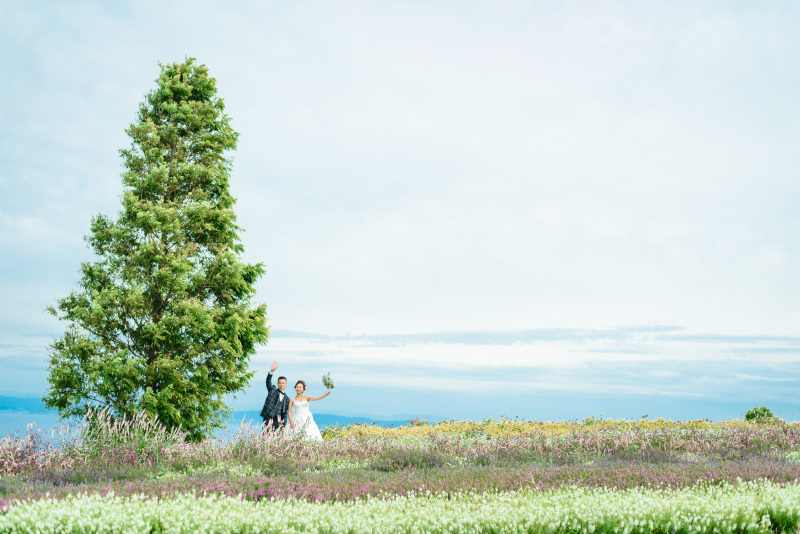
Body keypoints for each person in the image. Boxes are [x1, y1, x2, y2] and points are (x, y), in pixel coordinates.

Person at [260, 360, 289, 431]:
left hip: (277, 421)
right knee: (264, 436)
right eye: (280, 383)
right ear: (277, 384)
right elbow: (268, 382)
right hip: (267, 417)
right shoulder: (272, 390)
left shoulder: (287, 399)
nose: (282, 385)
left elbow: (284, 413)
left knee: (275, 439)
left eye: (283, 383)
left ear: (286, 384)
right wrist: (271, 371)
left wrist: (283, 425)